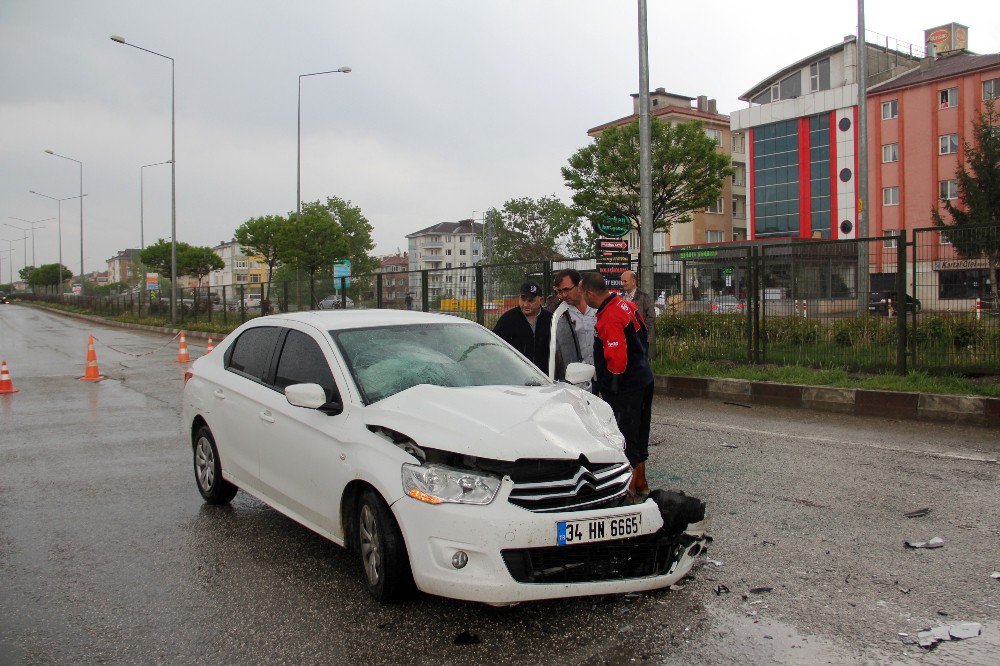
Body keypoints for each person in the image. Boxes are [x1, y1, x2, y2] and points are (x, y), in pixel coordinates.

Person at [580, 271, 653, 499]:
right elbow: (643, 334)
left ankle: (627, 489)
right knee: (640, 432)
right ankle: (641, 482)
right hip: (643, 378)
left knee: (624, 435)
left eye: (583, 293)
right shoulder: (624, 304)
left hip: (627, 386)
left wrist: (611, 385)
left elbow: (617, 360)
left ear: (590, 293)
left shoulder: (610, 315)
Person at [547, 268, 597, 382]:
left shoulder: (596, 307)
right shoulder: (561, 313)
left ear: (579, 285)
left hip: (602, 375)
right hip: (576, 378)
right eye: (560, 291)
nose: (564, 295)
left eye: (567, 289)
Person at [492, 281, 552, 372]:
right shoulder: (508, 319)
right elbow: (495, 345)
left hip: (544, 377)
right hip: (516, 376)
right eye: (523, 299)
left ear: (541, 300)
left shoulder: (551, 319)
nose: (525, 304)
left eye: (531, 300)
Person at [620, 270, 656, 359]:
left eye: (625, 281)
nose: (623, 283)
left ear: (633, 281)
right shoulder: (620, 298)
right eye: (622, 281)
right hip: (624, 339)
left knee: (640, 366)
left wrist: (643, 332)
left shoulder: (643, 297)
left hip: (640, 340)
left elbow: (651, 316)